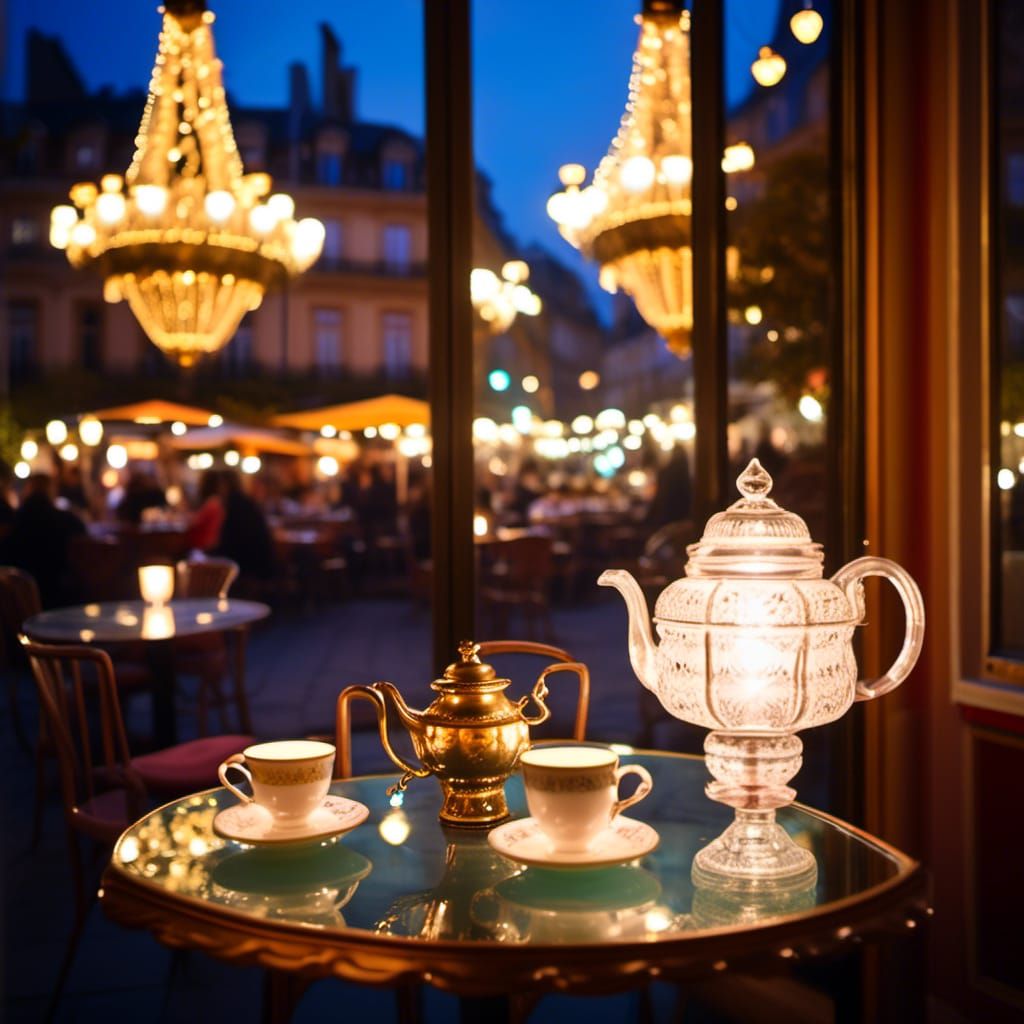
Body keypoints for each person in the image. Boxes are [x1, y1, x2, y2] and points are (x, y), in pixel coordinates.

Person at [1, 473, 85, 607]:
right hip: (59, 591)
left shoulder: (13, 520)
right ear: (51, 490)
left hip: (18, 596)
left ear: (28, 489)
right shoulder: (67, 520)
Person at [213, 470, 276, 581]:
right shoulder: (244, 502)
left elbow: (230, 542)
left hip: (248, 564)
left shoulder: (234, 504)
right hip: (259, 561)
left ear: (224, 485)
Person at [646, 448, 693, 528]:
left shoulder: (666, 473)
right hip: (680, 519)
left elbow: (659, 499)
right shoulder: (687, 478)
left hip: (666, 519)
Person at [184, 469, 225, 553]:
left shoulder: (212, 503)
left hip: (202, 547)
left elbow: (196, 525)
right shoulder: (215, 501)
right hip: (207, 545)